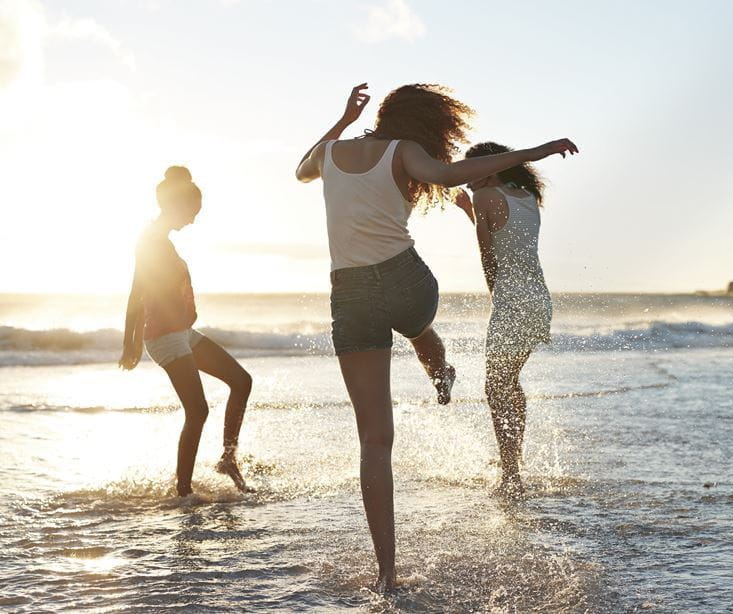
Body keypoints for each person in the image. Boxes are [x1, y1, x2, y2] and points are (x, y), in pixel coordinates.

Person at [295, 83, 578, 591]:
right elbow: (450, 176)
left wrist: (341, 120)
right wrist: (538, 150)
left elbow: (301, 170)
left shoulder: (330, 153)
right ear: (426, 125)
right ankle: (439, 366)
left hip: (351, 296)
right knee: (418, 325)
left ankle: (386, 573)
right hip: (407, 283)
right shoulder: (406, 152)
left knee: (374, 442)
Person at [119, 166, 253, 497]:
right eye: (192, 213)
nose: (192, 221)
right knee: (198, 410)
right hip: (163, 336)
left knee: (241, 381)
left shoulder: (161, 240)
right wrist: (130, 344)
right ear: (177, 206)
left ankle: (227, 459)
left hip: (181, 332)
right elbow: (136, 295)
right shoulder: (150, 241)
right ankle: (183, 492)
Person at [458, 142, 555, 501]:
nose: (465, 180)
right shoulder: (528, 197)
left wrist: (495, 299)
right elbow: (506, 237)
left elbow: (489, 255)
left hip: (513, 302)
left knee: (495, 387)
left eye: (470, 173)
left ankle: (511, 475)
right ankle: (513, 463)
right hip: (538, 300)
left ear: (491, 169)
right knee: (507, 383)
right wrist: (470, 210)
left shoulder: (486, 199)